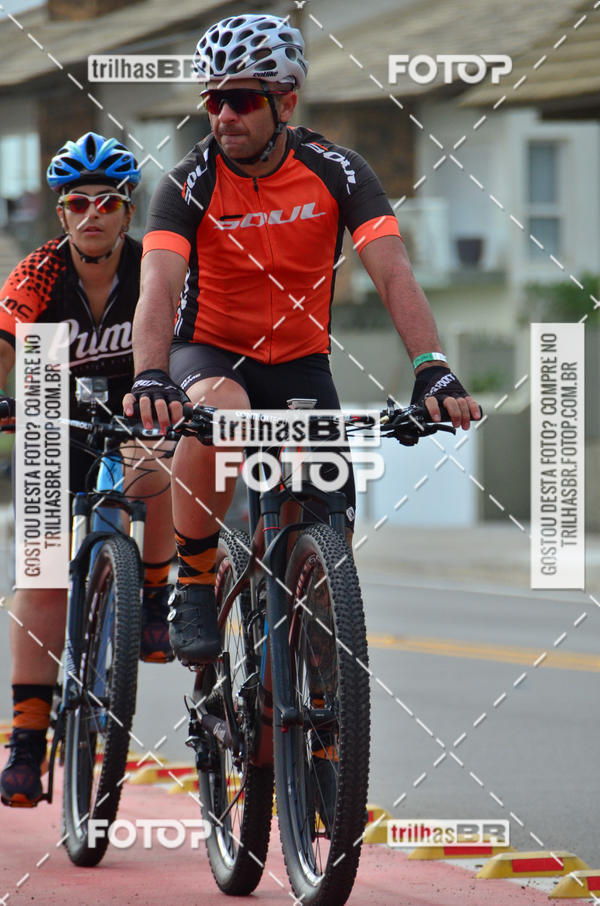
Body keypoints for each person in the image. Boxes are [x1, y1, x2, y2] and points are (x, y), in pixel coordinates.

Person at [123, 13, 481, 669]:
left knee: (322, 540)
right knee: (221, 413)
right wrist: (150, 374)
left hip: (300, 366)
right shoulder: (187, 182)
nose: (223, 115)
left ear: (285, 103)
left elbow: (393, 271)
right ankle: (195, 578)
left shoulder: (337, 170)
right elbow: (158, 284)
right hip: (211, 353)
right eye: (212, 100)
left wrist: (432, 368)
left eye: (241, 99)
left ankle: (310, 694)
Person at [0, 132, 175, 808]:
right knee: (42, 567)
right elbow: (5, 343)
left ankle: (154, 595)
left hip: (137, 399)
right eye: (78, 203)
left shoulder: (153, 268)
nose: (93, 214)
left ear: (128, 211)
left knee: (155, 458)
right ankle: (26, 741)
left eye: (107, 202)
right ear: (62, 214)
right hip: (51, 397)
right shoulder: (38, 274)